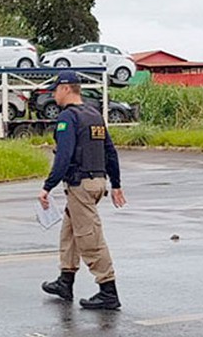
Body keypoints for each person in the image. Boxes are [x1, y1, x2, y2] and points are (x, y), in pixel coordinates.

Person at [38, 70, 127, 310]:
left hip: (80, 185)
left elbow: (64, 156)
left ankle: (108, 290)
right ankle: (65, 282)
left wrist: (47, 187)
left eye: (55, 89)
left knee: (89, 237)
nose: (54, 94)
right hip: (97, 182)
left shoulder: (68, 117)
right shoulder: (93, 114)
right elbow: (110, 151)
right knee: (69, 231)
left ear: (66, 88)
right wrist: (116, 184)